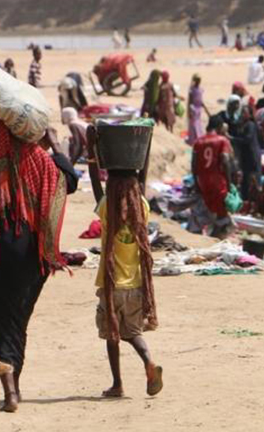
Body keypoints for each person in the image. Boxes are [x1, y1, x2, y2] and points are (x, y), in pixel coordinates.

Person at [0, 119, 78, 412]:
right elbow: (69, 180)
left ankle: (10, 392)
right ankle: (16, 388)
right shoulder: (37, 159)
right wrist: (55, 143)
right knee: (18, 320)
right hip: (33, 254)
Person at [94, 169, 163, 398]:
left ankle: (117, 384)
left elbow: (97, 190)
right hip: (135, 286)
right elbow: (138, 182)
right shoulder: (141, 206)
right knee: (133, 332)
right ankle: (149, 362)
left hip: (111, 285)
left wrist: (93, 160)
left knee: (112, 336)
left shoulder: (106, 206)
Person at [189, 116, 234, 237]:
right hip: (218, 181)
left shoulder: (198, 141)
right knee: (221, 212)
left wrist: (196, 182)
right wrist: (229, 183)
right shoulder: (221, 140)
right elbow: (225, 160)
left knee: (209, 207)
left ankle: (207, 234)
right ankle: (216, 237)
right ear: (219, 127)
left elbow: (193, 164)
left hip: (203, 180)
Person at [228, 106, 262, 201]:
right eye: (241, 112)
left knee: (253, 180)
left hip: (252, 156)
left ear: (249, 114)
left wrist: (232, 139)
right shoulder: (243, 124)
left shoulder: (250, 125)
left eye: (244, 112)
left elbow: (247, 139)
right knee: (246, 180)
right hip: (245, 157)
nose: (242, 114)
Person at [187, 74, 211, 145]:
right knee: (193, 124)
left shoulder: (200, 89)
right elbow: (190, 101)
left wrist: (205, 109)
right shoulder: (192, 90)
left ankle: (198, 138)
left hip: (199, 109)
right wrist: (190, 110)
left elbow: (201, 100)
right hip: (193, 109)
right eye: (197, 81)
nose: (199, 82)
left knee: (198, 124)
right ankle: (192, 139)